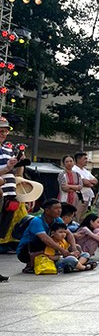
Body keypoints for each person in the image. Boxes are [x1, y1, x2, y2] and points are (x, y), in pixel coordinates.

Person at [16, 199, 78, 274]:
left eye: (60, 208)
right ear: (47, 210)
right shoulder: (37, 221)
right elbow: (44, 238)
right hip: (26, 251)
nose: (59, 210)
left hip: (49, 247)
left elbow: (69, 233)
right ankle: (30, 265)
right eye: (56, 208)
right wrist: (62, 250)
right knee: (42, 240)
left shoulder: (57, 219)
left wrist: (74, 248)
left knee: (75, 247)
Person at [0, 116, 24, 280]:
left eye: (5, 131)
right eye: (0, 131)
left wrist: (19, 163)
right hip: (1, 193)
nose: (3, 134)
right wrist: (7, 167)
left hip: (10, 194)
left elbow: (17, 174)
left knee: (1, 232)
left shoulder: (8, 150)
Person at [72, 152, 97, 222]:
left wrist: (89, 182)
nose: (87, 160)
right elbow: (84, 182)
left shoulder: (86, 171)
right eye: (85, 158)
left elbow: (95, 181)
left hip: (87, 196)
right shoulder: (75, 169)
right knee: (77, 216)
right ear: (79, 159)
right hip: (80, 196)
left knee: (82, 217)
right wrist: (89, 182)